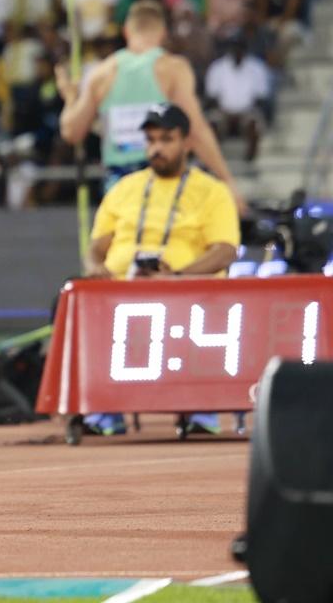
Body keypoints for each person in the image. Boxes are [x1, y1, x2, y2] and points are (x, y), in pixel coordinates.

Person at [85, 104, 239, 436]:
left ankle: (200, 408)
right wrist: (96, 269)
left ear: (187, 142)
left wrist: (178, 278)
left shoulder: (213, 191)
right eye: (151, 139)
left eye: (166, 139)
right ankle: (101, 409)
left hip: (186, 290)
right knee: (74, 300)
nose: (157, 147)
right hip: (122, 287)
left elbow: (225, 250)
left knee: (196, 303)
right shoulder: (124, 188)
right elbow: (97, 246)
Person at [56, 0, 243, 209]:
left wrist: (71, 99)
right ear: (163, 33)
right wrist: (227, 180)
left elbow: (72, 132)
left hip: (119, 186)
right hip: (162, 179)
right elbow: (196, 131)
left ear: (126, 32)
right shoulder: (172, 69)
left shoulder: (102, 74)